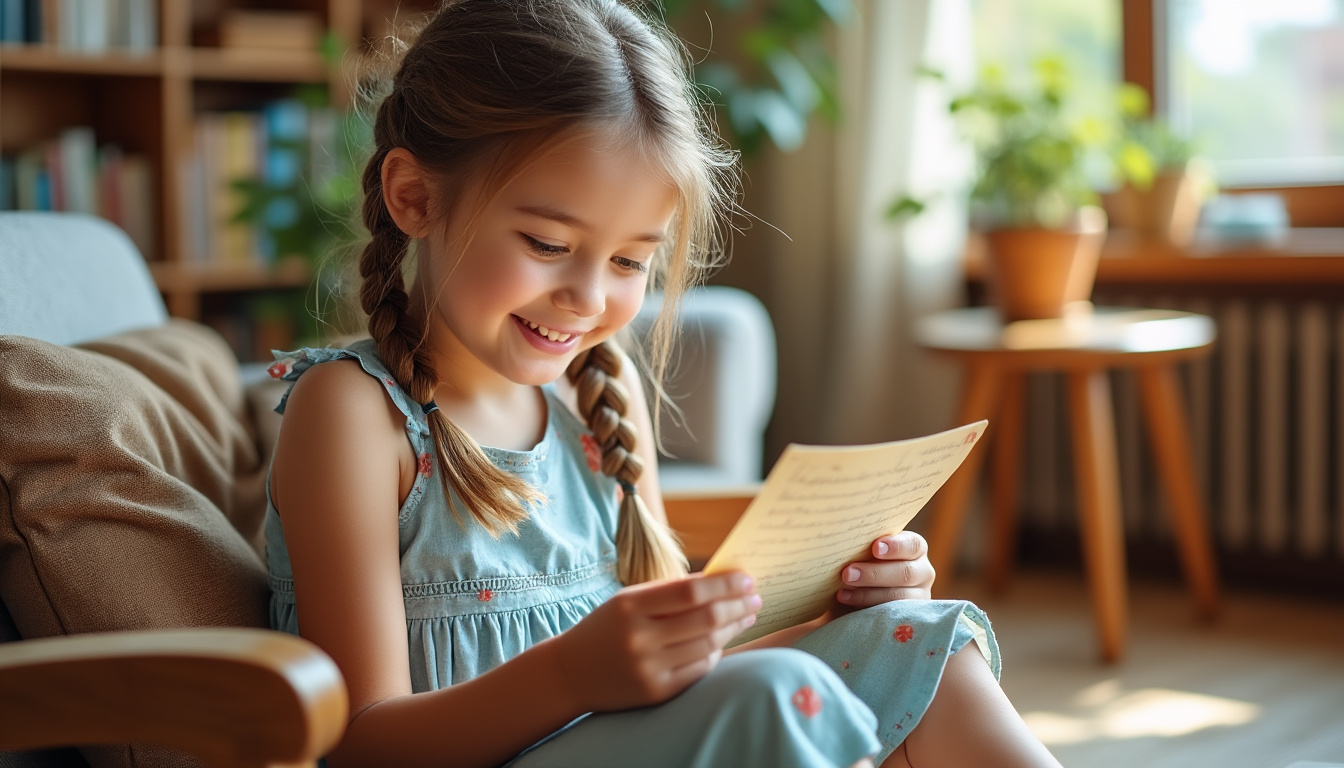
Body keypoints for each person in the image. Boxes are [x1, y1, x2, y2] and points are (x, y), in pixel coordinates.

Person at [263, 1, 1063, 766]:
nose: (587, 295)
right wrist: (572, 675)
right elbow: (359, 742)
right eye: (547, 242)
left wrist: (849, 610)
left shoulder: (596, 404)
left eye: (629, 262)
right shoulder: (353, 416)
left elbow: (687, 677)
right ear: (415, 197)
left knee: (919, 635)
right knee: (777, 694)